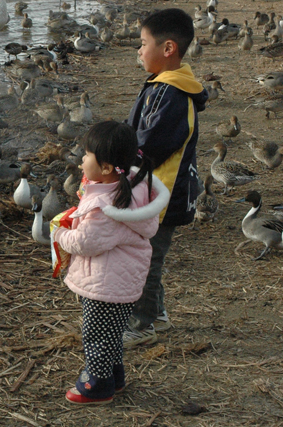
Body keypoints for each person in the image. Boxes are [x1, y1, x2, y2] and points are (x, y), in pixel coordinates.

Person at [53, 121, 169, 404]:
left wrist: (59, 233)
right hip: (120, 280)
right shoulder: (130, 189)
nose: (81, 159)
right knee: (111, 333)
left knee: (95, 334)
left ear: (106, 168)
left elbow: (86, 242)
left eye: (86, 154)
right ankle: (115, 376)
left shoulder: (108, 207)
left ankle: (98, 385)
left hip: (105, 283)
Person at [124, 8, 208, 347]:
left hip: (159, 195)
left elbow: (150, 145)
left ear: (168, 48)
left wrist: (119, 166)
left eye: (143, 44)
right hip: (162, 192)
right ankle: (156, 316)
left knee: (145, 259)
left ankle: (142, 324)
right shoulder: (170, 87)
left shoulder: (169, 93)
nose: (139, 51)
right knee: (150, 255)